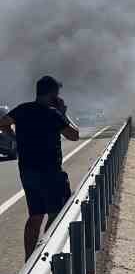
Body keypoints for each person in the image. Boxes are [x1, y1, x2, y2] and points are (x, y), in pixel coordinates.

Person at [0, 76, 81, 260]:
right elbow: (74, 135)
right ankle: (44, 254)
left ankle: (30, 258)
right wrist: (63, 112)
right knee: (56, 214)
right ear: (52, 95)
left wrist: (15, 139)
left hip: (27, 171)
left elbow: (3, 122)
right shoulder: (53, 114)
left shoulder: (22, 109)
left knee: (35, 214)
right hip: (50, 171)